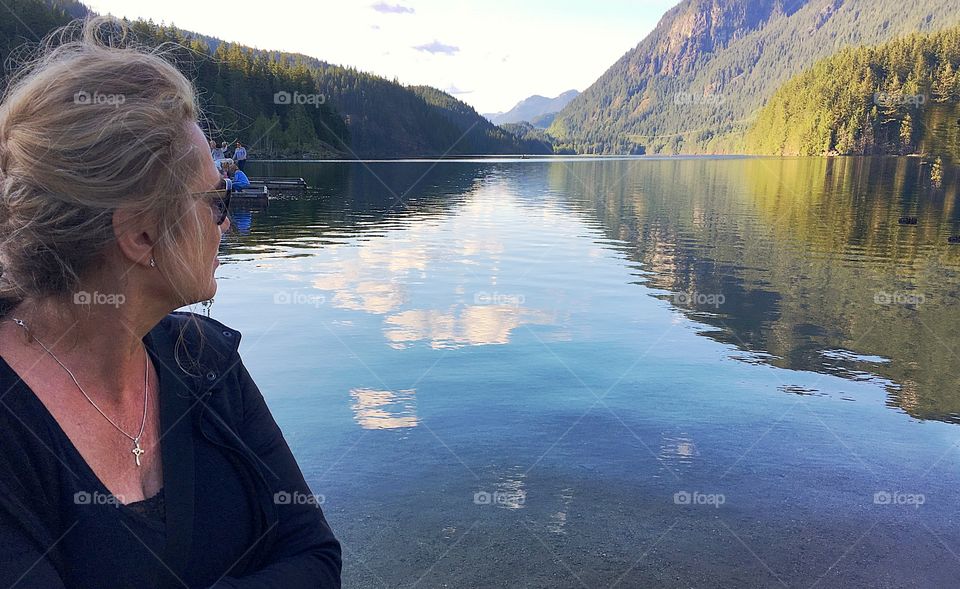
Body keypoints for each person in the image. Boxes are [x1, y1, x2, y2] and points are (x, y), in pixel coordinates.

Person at [0, 17, 341, 588]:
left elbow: (314, 555)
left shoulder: (204, 360)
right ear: (140, 233)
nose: (227, 221)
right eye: (212, 200)